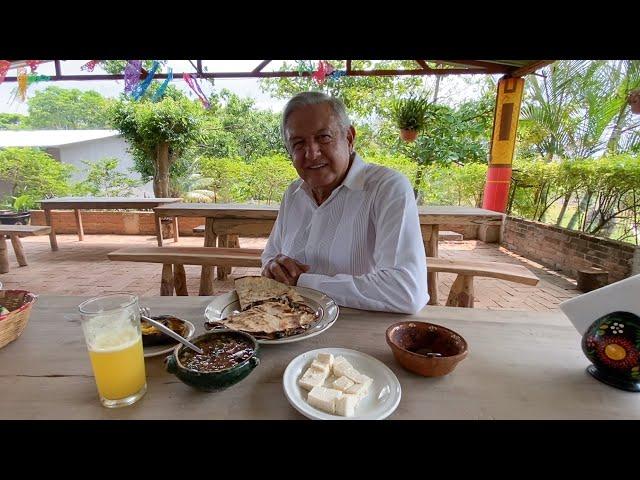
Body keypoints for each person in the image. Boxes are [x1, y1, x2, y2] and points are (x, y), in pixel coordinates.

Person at [261, 91, 428, 314]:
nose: (311, 153)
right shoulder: (294, 192)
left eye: (324, 137)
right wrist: (274, 267)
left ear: (349, 138)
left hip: (357, 334)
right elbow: (270, 256)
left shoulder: (386, 188)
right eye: (298, 143)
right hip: (289, 326)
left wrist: (304, 282)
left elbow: (407, 290)